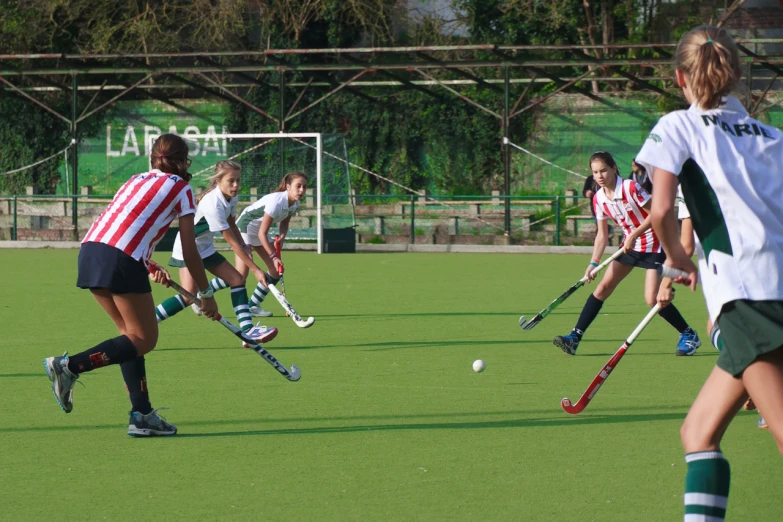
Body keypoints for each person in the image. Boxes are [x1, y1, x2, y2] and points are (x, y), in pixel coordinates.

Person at [642, 25, 783, 521]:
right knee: (698, 432)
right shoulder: (773, 137)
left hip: (751, 302)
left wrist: (677, 262)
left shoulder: (677, 126)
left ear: (680, 77)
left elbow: (661, 211)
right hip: (762, 299)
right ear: (736, 77)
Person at [43, 134, 219, 437]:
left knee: (130, 337)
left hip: (91, 251)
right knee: (145, 339)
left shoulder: (135, 179)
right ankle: (69, 366)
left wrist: (148, 264)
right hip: (121, 259)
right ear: (180, 161)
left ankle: (142, 416)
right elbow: (190, 250)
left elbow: (124, 224)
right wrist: (206, 293)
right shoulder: (183, 189)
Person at [553, 151, 700, 356]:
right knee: (603, 287)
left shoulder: (631, 188)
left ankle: (688, 333)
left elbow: (656, 213)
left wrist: (635, 233)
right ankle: (574, 338)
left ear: (614, 168)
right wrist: (594, 262)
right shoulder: (598, 199)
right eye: (595, 172)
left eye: (604, 170)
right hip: (631, 246)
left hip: (657, 245)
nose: (600, 175)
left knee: (652, 299)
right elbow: (602, 235)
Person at [154, 160, 277, 344]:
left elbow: (232, 224)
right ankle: (149, 322)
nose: (235, 185)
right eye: (231, 181)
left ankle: (248, 331)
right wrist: (255, 269)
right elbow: (231, 243)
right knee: (188, 296)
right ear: (219, 180)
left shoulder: (231, 196)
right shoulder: (212, 203)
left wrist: (244, 246)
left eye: (238, 180)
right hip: (188, 248)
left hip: (204, 248)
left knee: (236, 279)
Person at [207, 172, 307, 315]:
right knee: (240, 274)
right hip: (245, 228)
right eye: (298, 186)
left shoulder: (295, 203)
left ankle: (253, 306)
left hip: (258, 231)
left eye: (304, 187)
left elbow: (284, 223)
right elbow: (262, 234)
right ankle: (203, 291)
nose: (302, 190)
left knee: (275, 271)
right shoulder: (276, 202)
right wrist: (273, 256)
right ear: (288, 186)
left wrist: (282, 239)